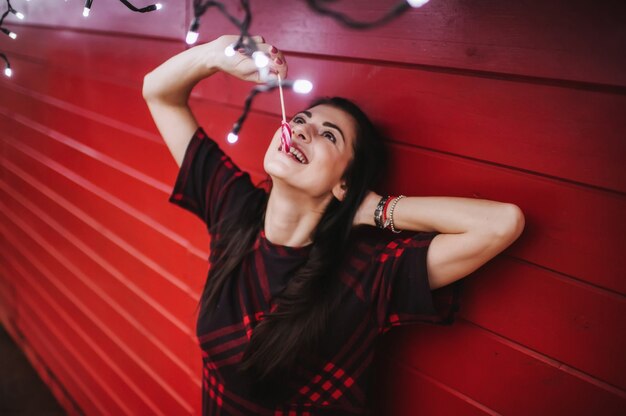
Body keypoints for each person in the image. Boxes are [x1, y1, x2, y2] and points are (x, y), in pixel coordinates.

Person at [143, 34, 525, 416]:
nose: (304, 130)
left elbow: (500, 223)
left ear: (344, 183)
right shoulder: (234, 208)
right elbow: (158, 91)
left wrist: (376, 208)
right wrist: (217, 53)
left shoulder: (366, 272)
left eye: (329, 135)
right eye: (300, 120)